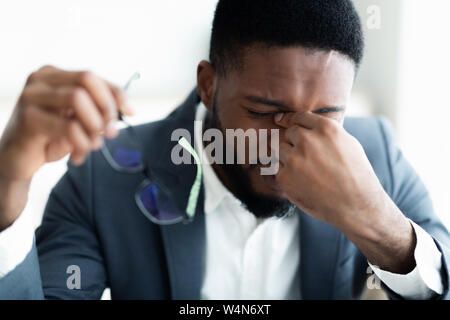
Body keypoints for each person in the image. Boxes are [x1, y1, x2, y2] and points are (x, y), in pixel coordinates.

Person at [0, 0, 449, 300]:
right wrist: (6, 185)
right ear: (208, 84)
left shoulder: (376, 155)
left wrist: (378, 224)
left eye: (326, 116)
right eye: (262, 111)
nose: (290, 146)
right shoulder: (102, 180)